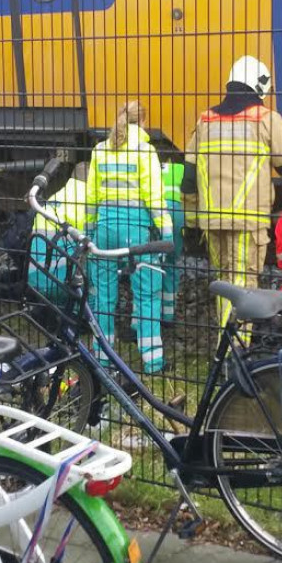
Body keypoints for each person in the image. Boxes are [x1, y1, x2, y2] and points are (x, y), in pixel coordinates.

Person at [183, 55, 282, 325]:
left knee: (225, 286)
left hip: (212, 220)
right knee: (243, 289)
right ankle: (233, 357)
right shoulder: (265, 119)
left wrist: (193, 220)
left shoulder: (205, 121)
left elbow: (188, 178)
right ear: (259, 85)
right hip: (247, 222)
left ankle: (227, 352)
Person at [86, 101, 171, 372]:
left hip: (105, 228)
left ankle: (101, 356)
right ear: (143, 123)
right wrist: (166, 229)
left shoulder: (100, 150)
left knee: (103, 294)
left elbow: (91, 196)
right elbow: (154, 196)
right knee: (146, 292)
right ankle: (153, 360)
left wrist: (90, 229)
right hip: (136, 231)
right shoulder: (145, 151)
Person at [27, 162, 90, 305]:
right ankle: (82, 314)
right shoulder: (88, 202)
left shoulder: (56, 196)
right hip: (61, 283)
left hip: (34, 280)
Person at [159, 155, 186, 326]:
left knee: (147, 266)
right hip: (175, 212)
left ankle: (142, 320)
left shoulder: (148, 166)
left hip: (154, 210)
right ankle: (168, 315)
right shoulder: (180, 169)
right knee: (171, 263)